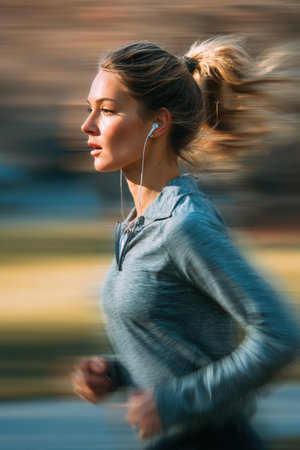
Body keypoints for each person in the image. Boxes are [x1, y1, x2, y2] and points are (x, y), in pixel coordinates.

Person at [72, 36, 300, 449]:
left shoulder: (184, 226)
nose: (88, 126)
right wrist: (118, 373)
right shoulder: (135, 227)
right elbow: (187, 348)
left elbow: (281, 333)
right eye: (89, 110)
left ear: (158, 123)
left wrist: (177, 401)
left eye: (106, 111)